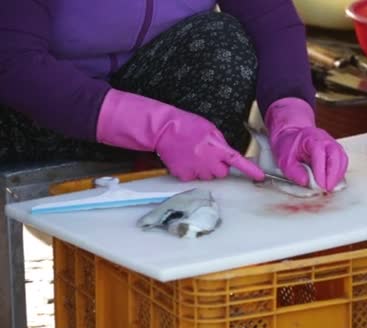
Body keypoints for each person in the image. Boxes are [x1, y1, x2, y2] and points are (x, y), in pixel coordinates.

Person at [0, 0, 349, 192]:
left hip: (146, 104)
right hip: (33, 118)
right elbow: (12, 62)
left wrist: (292, 122)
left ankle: (187, 216)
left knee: (221, 41)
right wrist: (157, 126)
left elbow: (273, 23)